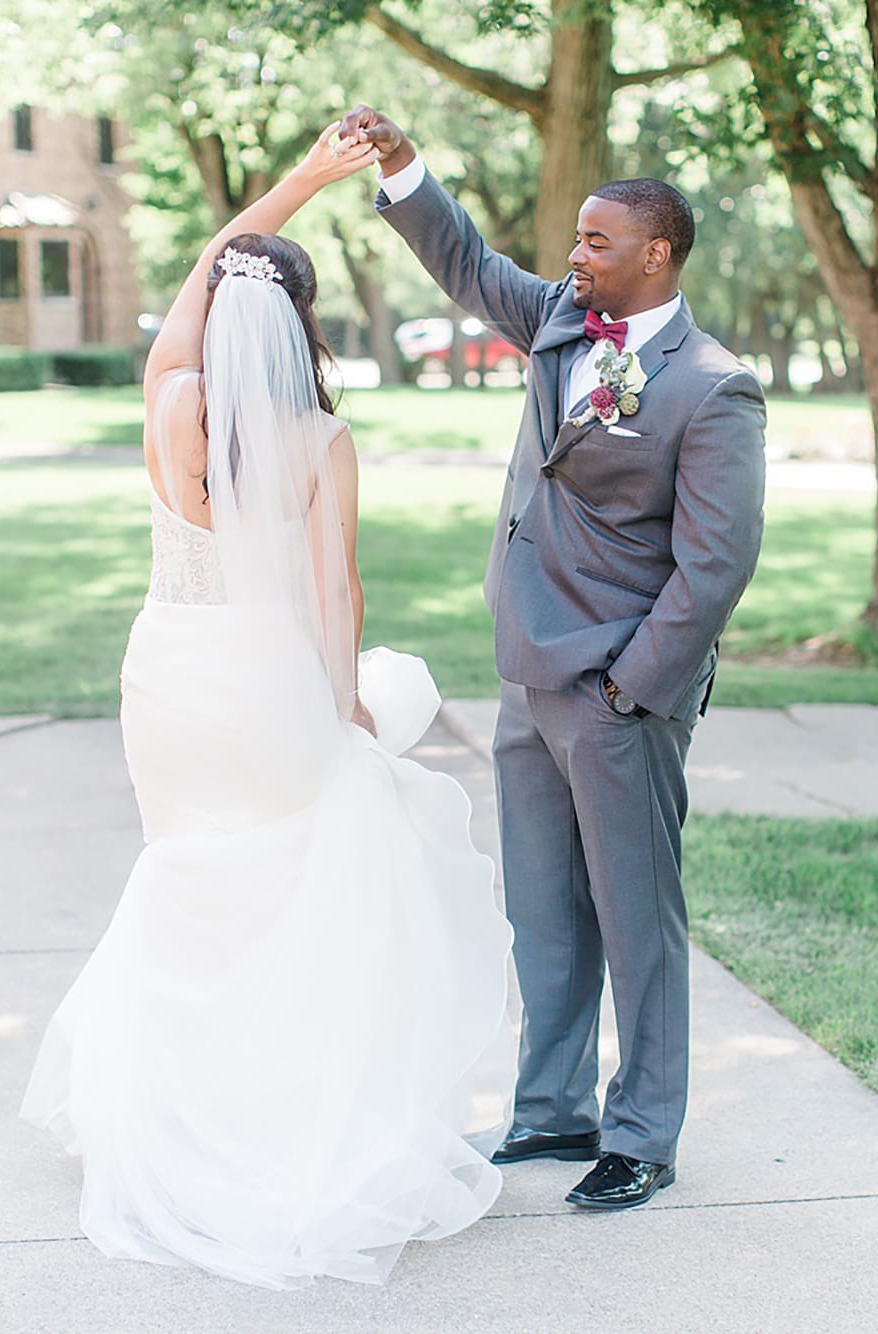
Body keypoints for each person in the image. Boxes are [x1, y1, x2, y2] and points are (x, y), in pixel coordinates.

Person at [20, 123, 516, 1290]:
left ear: (209, 308)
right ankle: (288, 1105)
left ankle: (177, 1108)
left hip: (166, 673)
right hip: (261, 676)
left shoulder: (163, 399)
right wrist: (343, 702)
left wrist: (290, 185)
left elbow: (219, 271)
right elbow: (338, 591)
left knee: (188, 869)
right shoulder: (318, 438)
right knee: (301, 871)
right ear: (300, 327)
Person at [342, 105, 767, 1211]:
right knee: (541, 906)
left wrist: (634, 684)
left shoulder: (711, 386)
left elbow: (713, 565)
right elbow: (465, 260)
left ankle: (641, 1132)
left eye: (594, 241)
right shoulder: (558, 322)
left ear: (654, 253)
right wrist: (401, 163)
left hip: (619, 689)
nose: (573, 256)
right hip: (527, 675)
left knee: (635, 919)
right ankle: (551, 1107)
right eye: (574, 241)